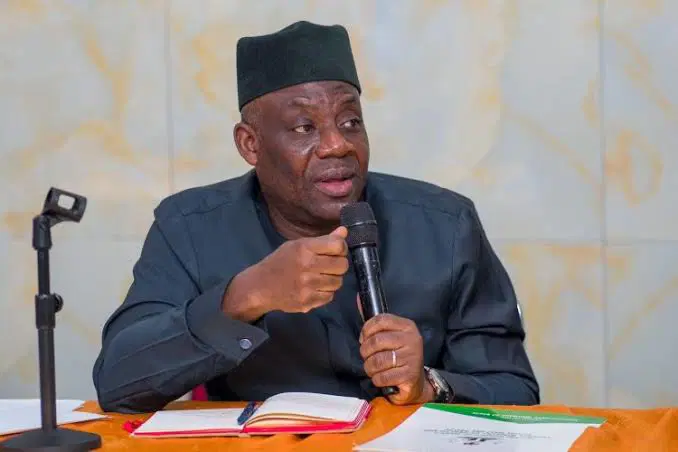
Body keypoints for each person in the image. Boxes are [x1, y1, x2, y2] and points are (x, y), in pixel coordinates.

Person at [92, 20, 539, 413]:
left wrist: (429, 386)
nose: (337, 145)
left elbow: (517, 392)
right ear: (250, 144)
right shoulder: (189, 227)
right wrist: (245, 296)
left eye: (350, 122)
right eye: (304, 128)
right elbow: (118, 384)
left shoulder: (446, 225)